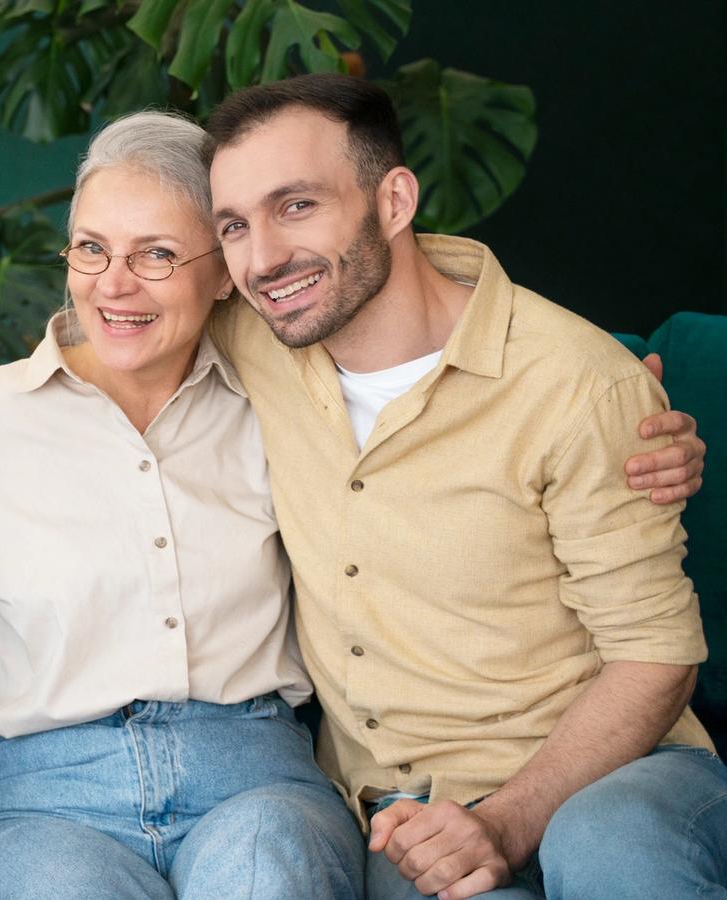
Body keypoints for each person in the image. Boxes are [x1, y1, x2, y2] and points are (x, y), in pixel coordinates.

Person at [202, 73, 725, 899]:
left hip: (623, 772)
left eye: (296, 205)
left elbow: (654, 655)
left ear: (395, 200)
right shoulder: (252, 341)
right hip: (406, 807)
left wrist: (509, 820)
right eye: (234, 225)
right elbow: (115, 321)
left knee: (609, 841)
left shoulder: (580, 385)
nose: (263, 258)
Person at [0, 110, 365, 899]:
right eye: (91, 248)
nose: (113, 285)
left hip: (252, 776)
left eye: (156, 254)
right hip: (41, 800)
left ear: (225, 270)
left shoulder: (282, 404)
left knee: (266, 872)